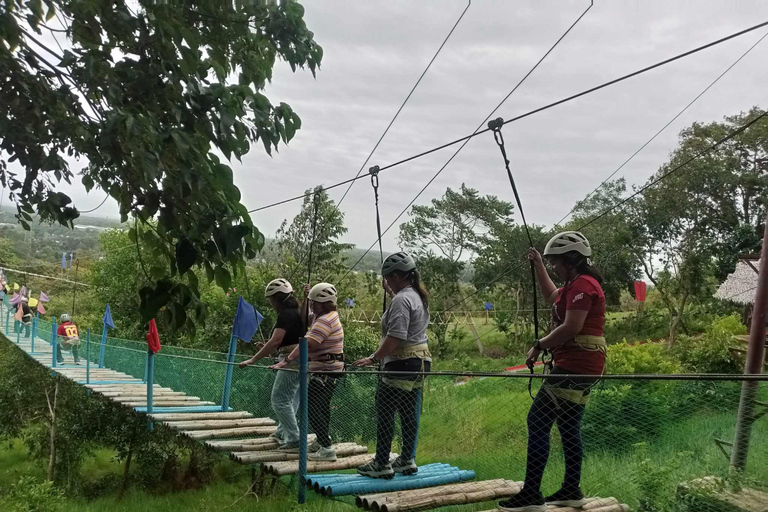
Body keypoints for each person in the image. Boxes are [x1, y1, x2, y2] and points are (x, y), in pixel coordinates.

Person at [498, 231, 606, 512]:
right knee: (569, 427)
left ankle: (531, 494)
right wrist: (539, 265)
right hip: (583, 364)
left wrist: (539, 345)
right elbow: (551, 296)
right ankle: (571, 489)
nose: (555, 267)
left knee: (537, 422)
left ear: (571, 259)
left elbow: (572, 327)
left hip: (575, 365)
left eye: (557, 262)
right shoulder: (575, 284)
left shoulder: (583, 286)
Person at [354, 252, 431, 479]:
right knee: (408, 412)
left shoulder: (401, 300)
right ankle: (407, 459)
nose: (386, 282)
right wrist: (392, 292)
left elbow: (395, 336)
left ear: (397, 276)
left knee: (385, 411)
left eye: (388, 278)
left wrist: (373, 358)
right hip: (420, 363)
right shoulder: (416, 295)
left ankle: (381, 463)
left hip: (402, 363)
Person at [271, 282, 344, 462]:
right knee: (321, 408)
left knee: (314, 409)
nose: (312, 306)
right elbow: (305, 318)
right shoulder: (325, 315)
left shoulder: (325, 321)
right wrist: (305, 298)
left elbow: (306, 344)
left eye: (314, 303)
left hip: (326, 371)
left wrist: (285, 362)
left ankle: (327, 449)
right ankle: (322, 441)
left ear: (324, 303)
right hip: (328, 370)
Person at [238, 278, 307, 450]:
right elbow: (284, 339)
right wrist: (268, 348)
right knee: (292, 398)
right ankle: (283, 432)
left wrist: (253, 358)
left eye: (270, 299)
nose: (270, 304)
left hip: (291, 360)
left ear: (277, 298)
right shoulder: (298, 311)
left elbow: (276, 340)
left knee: (279, 399)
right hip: (303, 358)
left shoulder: (285, 314)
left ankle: (294, 438)